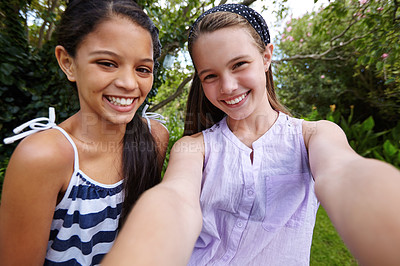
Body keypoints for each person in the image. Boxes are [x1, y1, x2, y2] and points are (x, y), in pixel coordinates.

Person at [103, 3, 400, 266]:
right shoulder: (194, 147)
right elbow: (176, 200)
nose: (228, 86)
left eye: (239, 64)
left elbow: (344, 174)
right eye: (210, 76)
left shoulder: (313, 136)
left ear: (267, 56)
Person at [0, 0, 169, 265]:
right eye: (107, 63)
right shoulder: (43, 157)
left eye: (142, 69)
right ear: (68, 62)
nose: (128, 83)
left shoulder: (154, 137)